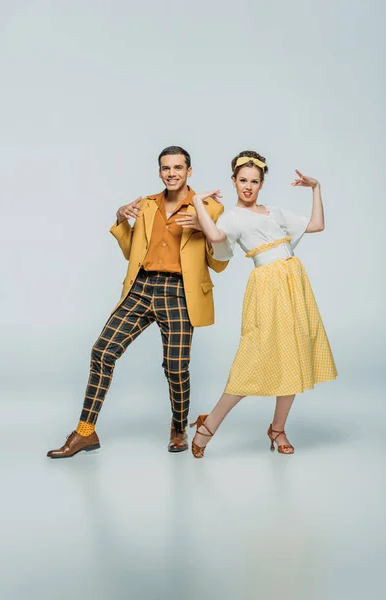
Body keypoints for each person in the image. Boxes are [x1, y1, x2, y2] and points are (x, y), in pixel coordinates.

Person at [47, 146, 228, 458]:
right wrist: (121, 219)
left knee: (175, 368)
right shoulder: (146, 205)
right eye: (166, 168)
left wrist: (205, 227)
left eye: (178, 167)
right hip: (141, 287)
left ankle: (177, 426)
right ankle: (85, 432)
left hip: (179, 293)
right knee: (102, 351)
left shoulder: (208, 207)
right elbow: (134, 252)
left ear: (189, 171)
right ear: (159, 172)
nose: (172, 173)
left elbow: (220, 262)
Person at [183, 150, 337, 457]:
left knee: (292, 354)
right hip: (267, 286)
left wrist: (316, 187)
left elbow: (317, 225)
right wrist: (198, 203)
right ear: (234, 181)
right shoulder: (232, 216)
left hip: (294, 282)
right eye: (242, 180)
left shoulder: (276, 212)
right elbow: (215, 236)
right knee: (252, 358)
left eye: (254, 181)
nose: (248, 186)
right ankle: (208, 425)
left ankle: (277, 428)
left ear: (262, 183)